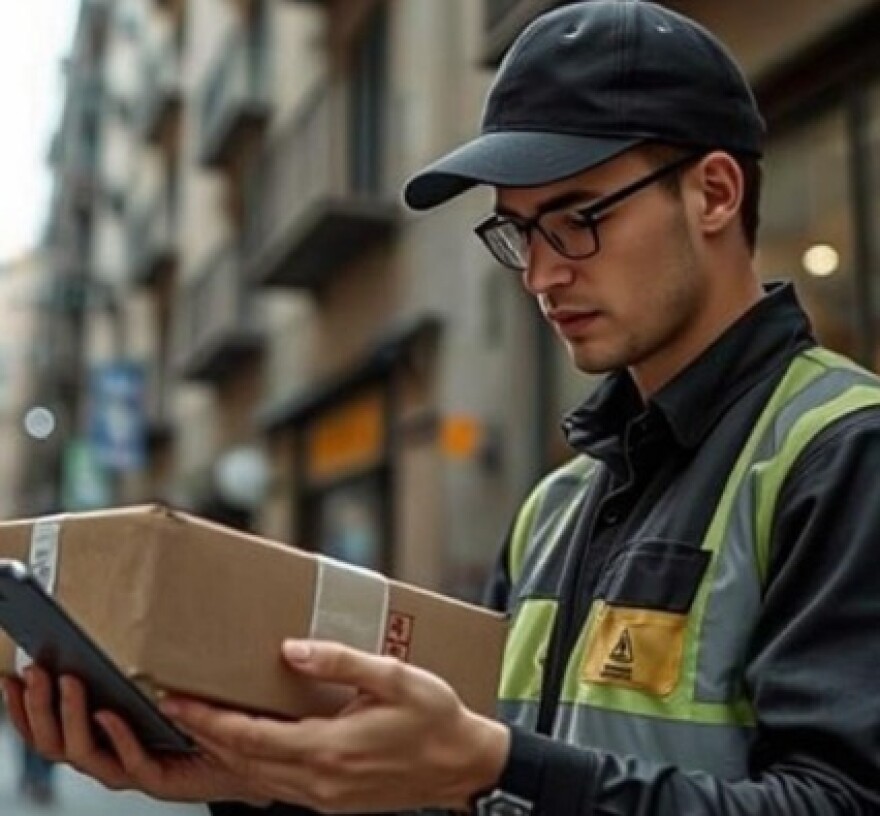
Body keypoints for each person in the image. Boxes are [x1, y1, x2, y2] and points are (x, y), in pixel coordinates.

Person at [3, 1, 880, 813]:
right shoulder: (554, 507)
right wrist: (263, 781)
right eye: (519, 232)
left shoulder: (844, 450)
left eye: (576, 218)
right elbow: (470, 796)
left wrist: (496, 764)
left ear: (716, 194)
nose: (541, 275)